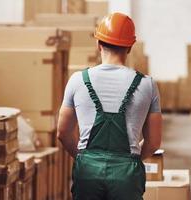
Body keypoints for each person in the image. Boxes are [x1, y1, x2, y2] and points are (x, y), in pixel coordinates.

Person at [57, 12, 162, 200]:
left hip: (88, 172)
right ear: (130, 47)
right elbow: (153, 142)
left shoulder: (77, 80)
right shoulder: (148, 84)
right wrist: (132, 161)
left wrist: (84, 158)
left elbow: (63, 133)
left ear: (98, 44)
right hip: (126, 176)